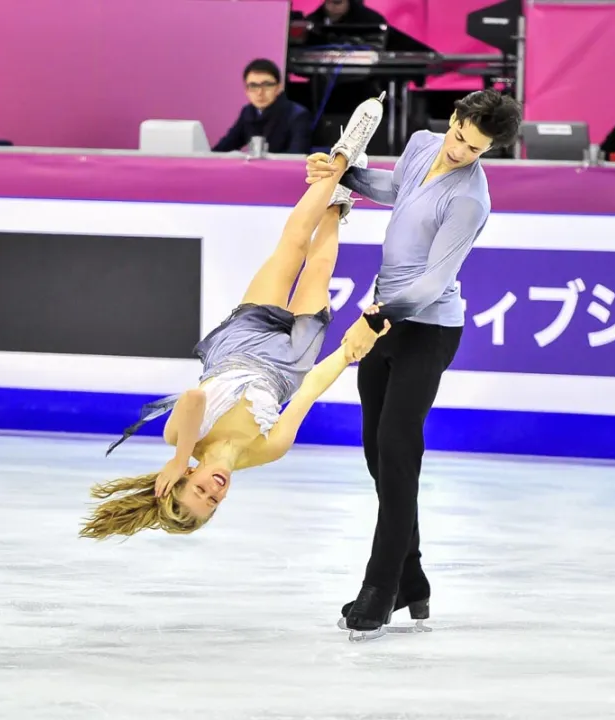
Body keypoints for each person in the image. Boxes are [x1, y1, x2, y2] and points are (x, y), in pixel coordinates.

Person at [79, 95, 386, 541]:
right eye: (213, 506)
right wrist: (351, 351)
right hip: (290, 365)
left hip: (238, 347)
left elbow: (192, 398)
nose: (214, 494)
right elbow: (306, 394)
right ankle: (338, 199)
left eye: (198, 493)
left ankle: (340, 159)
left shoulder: (182, 438)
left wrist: (181, 455)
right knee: (319, 266)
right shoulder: (266, 452)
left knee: (291, 247)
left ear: (184, 478)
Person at [305, 88, 523, 641]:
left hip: (425, 329)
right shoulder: (424, 144)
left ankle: (379, 591)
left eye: (473, 149)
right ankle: (412, 579)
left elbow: (432, 283)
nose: (459, 151)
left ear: (489, 150)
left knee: (399, 451)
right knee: (380, 456)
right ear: (451, 120)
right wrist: (345, 173)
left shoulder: (471, 199)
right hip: (384, 320)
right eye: (458, 136)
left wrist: (379, 316)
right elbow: (395, 190)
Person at [213, 58, 313, 155]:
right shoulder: (248, 112)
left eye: (267, 85)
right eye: (253, 86)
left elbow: (298, 157)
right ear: (246, 91)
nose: (260, 92)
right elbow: (224, 148)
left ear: (279, 88)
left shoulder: (297, 115)